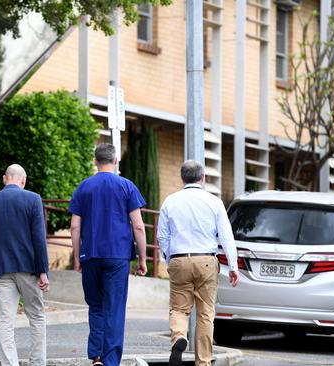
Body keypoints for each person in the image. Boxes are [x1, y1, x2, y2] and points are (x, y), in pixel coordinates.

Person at [69, 143, 148, 366]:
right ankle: (111, 360)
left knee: (95, 306)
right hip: (118, 256)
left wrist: (77, 256)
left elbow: (75, 226)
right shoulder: (126, 186)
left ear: (95, 161)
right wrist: (142, 259)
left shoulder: (83, 187)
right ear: (115, 161)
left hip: (91, 255)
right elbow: (139, 226)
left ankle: (96, 357)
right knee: (114, 308)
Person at [157, 160, 240, 366]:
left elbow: (162, 236)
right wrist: (233, 265)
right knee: (205, 315)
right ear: (203, 178)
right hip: (206, 261)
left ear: (182, 178)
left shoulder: (170, 201)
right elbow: (226, 237)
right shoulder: (214, 202)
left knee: (179, 309)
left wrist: (169, 259)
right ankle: (203, 362)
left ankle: (178, 337)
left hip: (179, 259)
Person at [0, 164, 50, 366]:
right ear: (23, 180)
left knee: (6, 322)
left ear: (4, 179)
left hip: (1, 270)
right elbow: (39, 238)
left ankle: (10, 364)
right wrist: (43, 271)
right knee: (36, 317)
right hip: (30, 270)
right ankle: (37, 363)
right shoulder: (33, 199)